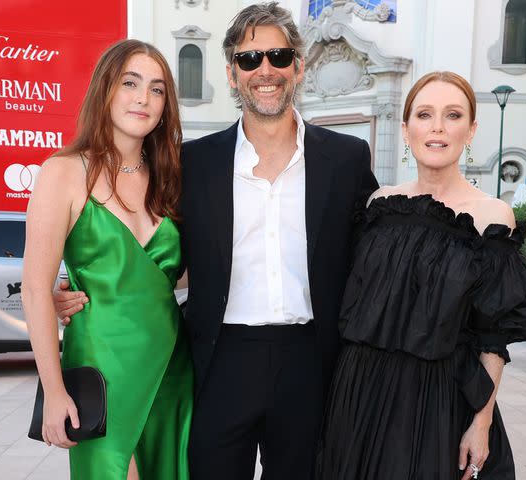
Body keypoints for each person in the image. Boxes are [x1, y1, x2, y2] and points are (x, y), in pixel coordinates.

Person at [55, 3, 378, 479]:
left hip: (310, 362)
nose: (264, 70)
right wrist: (81, 285)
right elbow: (156, 249)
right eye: (249, 60)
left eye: (278, 56)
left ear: (299, 66)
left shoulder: (347, 159)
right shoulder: (194, 164)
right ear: (231, 73)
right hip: (218, 360)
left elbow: (375, 256)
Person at [315, 71, 526, 480]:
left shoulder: (492, 216)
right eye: (424, 114)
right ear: (406, 129)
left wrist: (482, 421)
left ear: (470, 130)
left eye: (452, 115)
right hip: (359, 395)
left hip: (437, 401)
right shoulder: (378, 205)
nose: (437, 127)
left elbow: (493, 336)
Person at [23, 39, 192, 479]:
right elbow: (36, 289)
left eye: (157, 89)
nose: (143, 98)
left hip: (172, 367)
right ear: (105, 90)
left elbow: (177, 276)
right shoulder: (63, 171)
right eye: (130, 83)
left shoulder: (171, 179)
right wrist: (55, 390)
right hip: (102, 370)